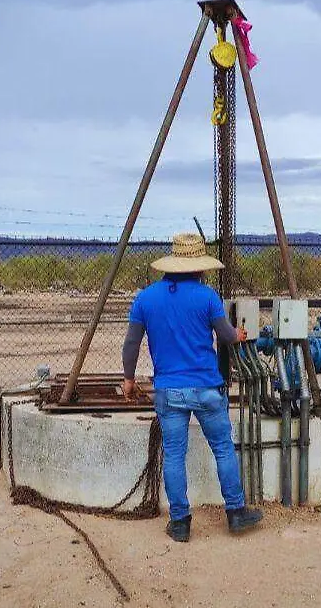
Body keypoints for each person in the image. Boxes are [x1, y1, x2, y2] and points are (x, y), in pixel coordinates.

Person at [120, 232, 263, 542]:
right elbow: (226, 336)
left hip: (169, 391)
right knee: (223, 449)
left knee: (173, 455)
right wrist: (238, 335)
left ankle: (181, 522)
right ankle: (236, 513)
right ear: (200, 266)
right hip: (206, 389)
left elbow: (131, 342)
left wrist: (129, 379)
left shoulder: (146, 298)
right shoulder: (207, 296)